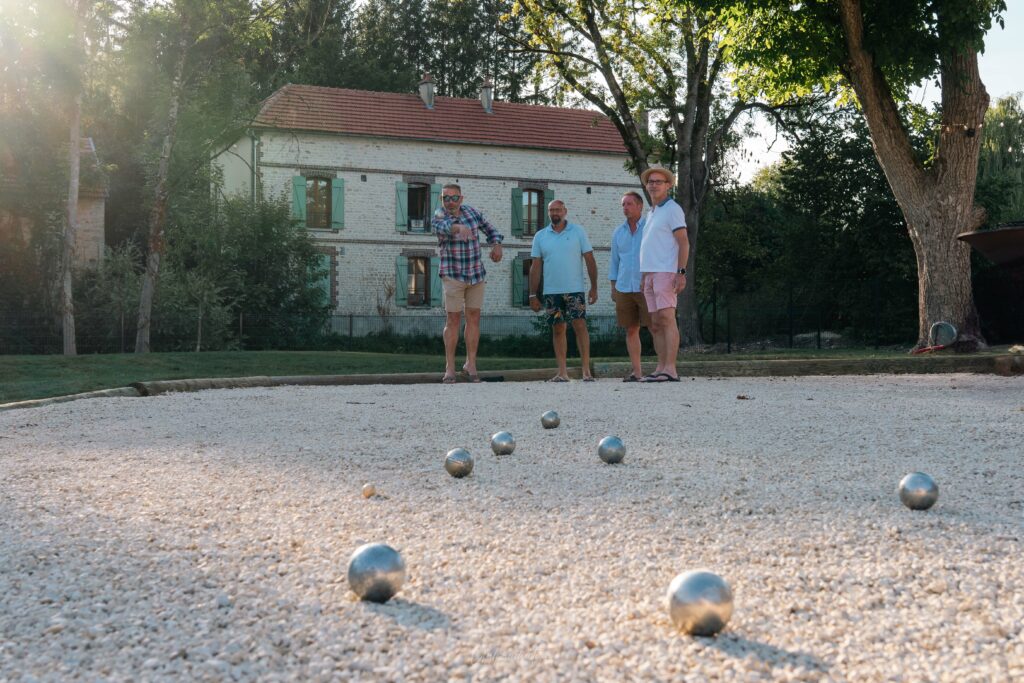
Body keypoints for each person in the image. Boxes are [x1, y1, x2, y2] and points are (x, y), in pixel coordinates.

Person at [431, 183, 503, 384]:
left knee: (473, 318)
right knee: (452, 320)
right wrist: (457, 227)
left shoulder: (472, 212)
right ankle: (450, 368)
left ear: (461, 198)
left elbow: (491, 230)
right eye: (446, 198)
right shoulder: (439, 214)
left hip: (476, 275)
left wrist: (496, 245)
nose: (450, 202)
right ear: (442, 200)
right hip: (453, 275)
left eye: (454, 197)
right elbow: (441, 227)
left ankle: (471, 364)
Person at [528, 200, 598, 382]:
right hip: (552, 292)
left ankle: (586, 371)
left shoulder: (578, 232)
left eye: (558, 209)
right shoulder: (540, 236)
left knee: (580, 326)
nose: (554, 213)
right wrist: (532, 294)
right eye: (551, 210)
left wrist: (594, 287)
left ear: (565, 211)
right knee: (558, 329)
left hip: (575, 290)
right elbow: (535, 266)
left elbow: (590, 259)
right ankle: (562, 372)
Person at [638, 167, 689, 382]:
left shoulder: (673, 209)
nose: (653, 185)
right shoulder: (652, 212)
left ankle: (671, 369)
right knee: (655, 323)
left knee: (667, 319)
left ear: (668, 185)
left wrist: (681, 272)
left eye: (659, 181)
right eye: (650, 181)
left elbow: (684, 242)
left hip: (666, 272)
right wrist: (644, 275)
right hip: (650, 274)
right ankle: (660, 367)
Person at [609, 191, 661, 382]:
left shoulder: (650, 227)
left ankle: (661, 369)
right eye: (623, 204)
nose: (625, 208)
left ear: (639, 206)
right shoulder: (618, 232)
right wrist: (613, 286)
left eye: (629, 204)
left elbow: (657, 254)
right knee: (631, 329)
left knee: (655, 327)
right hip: (624, 287)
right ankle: (637, 372)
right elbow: (614, 261)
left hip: (646, 286)